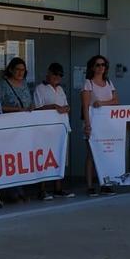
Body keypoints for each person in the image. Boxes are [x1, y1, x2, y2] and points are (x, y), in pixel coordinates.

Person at [32, 62, 75, 199]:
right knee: (44, 159)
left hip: (60, 130)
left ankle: (58, 188)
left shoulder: (61, 90)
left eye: (60, 75)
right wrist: (53, 106)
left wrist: (66, 108)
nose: (57, 77)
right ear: (49, 73)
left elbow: (67, 106)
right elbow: (36, 109)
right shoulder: (40, 88)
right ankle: (42, 189)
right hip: (45, 130)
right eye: (55, 73)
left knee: (60, 158)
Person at [81, 54, 118, 196]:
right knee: (91, 154)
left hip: (107, 124)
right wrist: (87, 125)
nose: (101, 67)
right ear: (92, 67)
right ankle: (90, 185)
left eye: (103, 65)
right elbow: (85, 106)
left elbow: (116, 101)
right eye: (97, 65)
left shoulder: (109, 82)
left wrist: (102, 103)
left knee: (106, 153)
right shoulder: (88, 83)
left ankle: (105, 183)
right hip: (93, 123)